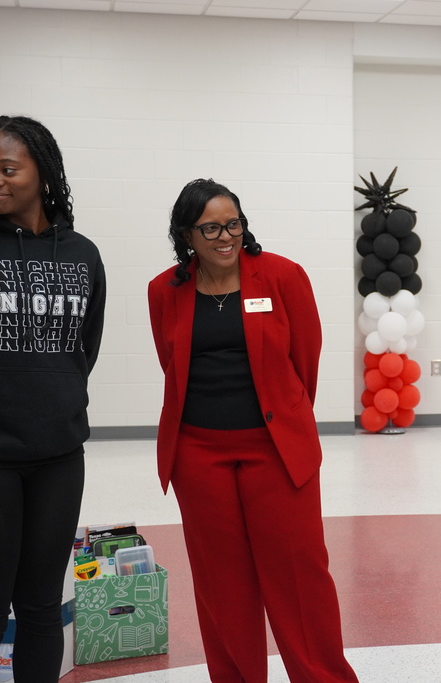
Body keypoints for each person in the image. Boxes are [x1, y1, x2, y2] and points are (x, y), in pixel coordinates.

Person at [148, 179, 357, 683]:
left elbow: (305, 362)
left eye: (234, 224)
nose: (226, 236)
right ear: (187, 235)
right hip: (198, 453)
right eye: (211, 227)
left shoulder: (283, 277)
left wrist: (282, 417)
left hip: (276, 450)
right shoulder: (164, 290)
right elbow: (171, 364)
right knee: (222, 585)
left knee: (299, 577)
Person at [0, 115, 106, 682]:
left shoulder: (81, 255)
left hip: (57, 458)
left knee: (39, 611)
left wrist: (54, 399)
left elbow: (84, 348)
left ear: (44, 172)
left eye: (8, 168)